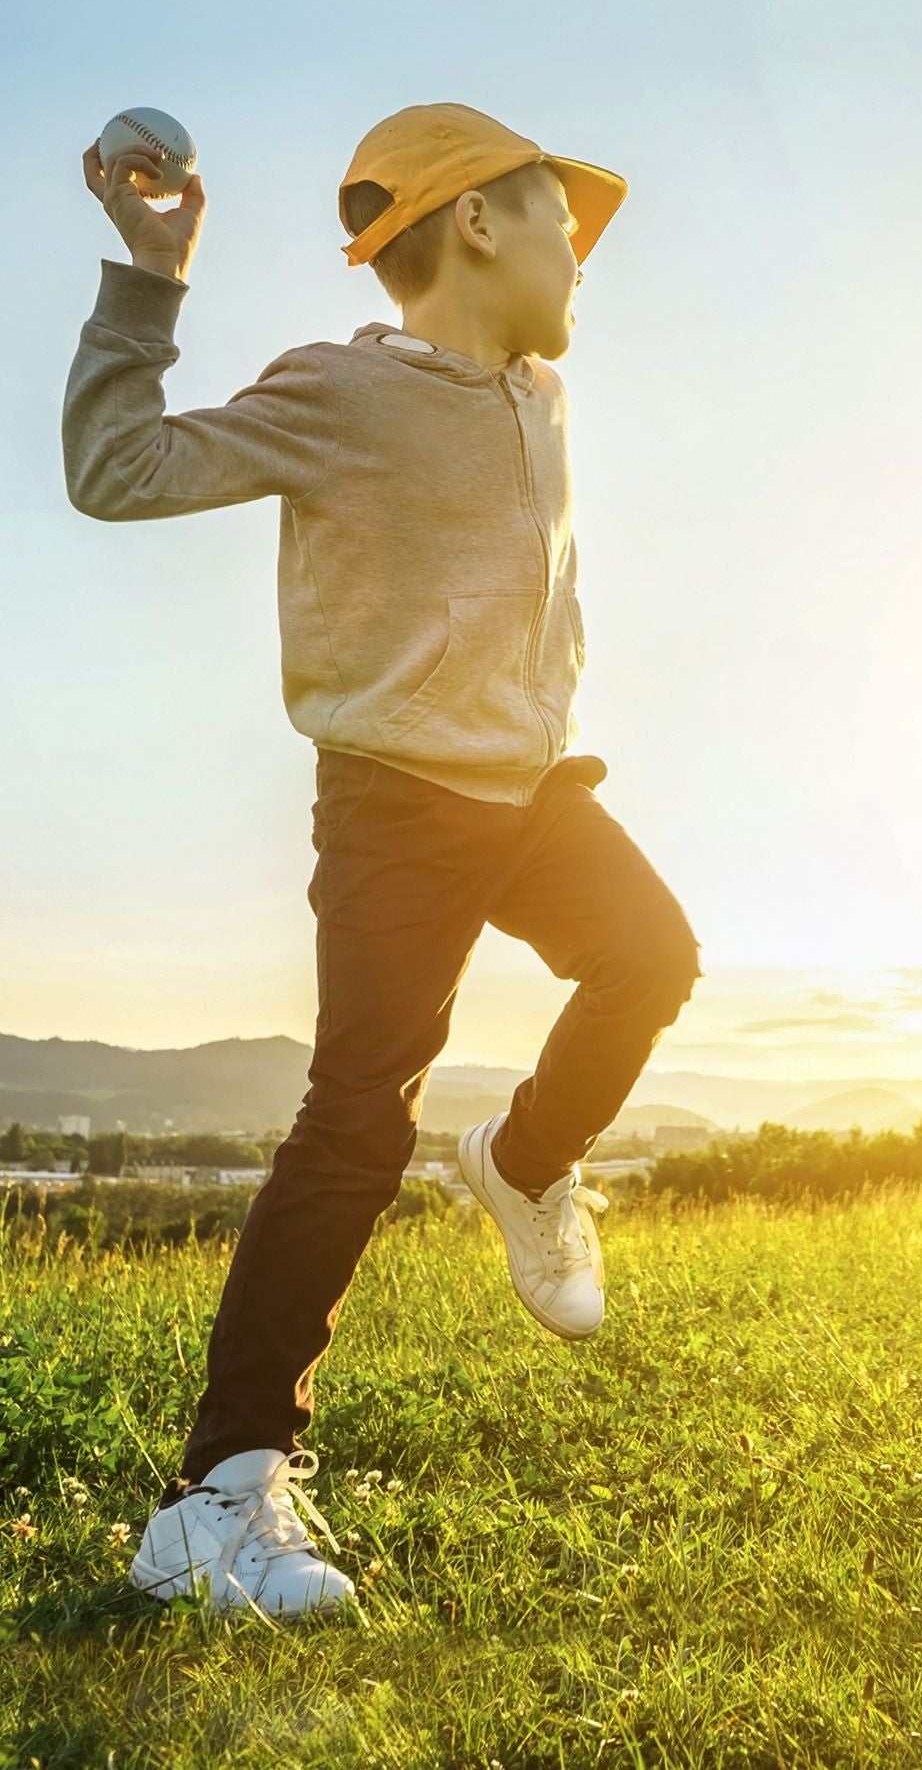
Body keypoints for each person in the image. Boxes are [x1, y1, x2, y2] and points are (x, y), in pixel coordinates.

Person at [62, 102, 702, 1618]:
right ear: (476, 221)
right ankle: (214, 1499)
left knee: (650, 957)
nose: (582, 265)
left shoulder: (542, 394)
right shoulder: (339, 391)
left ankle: (524, 1164)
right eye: (562, 223)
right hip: (397, 807)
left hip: (530, 791)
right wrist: (150, 275)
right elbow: (116, 468)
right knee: (356, 1120)